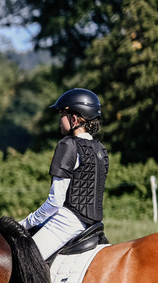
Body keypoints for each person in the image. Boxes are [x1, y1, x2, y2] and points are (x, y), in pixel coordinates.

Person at [19, 88, 108, 259]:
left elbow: (55, 202)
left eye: (61, 115)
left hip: (66, 223)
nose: (60, 121)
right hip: (94, 226)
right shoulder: (101, 149)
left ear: (73, 119)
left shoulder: (67, 145)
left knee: (23, 260)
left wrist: (26, 222)